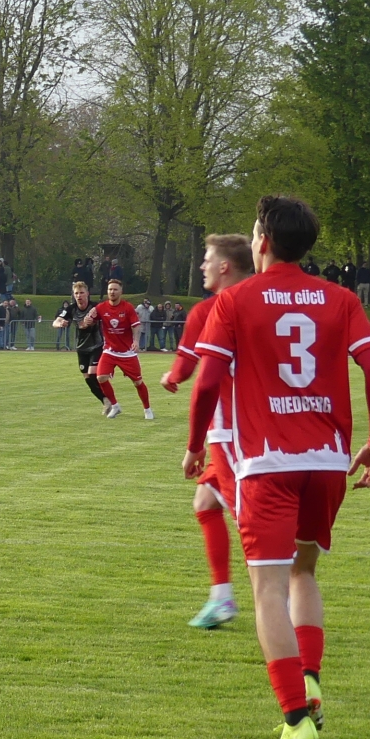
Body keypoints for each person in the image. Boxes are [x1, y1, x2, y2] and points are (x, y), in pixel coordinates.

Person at [184, 196, 370, 739]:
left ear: (264, 242)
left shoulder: (236, 301)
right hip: (327, 461)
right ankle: (311, 681)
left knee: (266, 590)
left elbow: (205, 384)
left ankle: (296, 720)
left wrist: (193, 447)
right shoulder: (341, 298)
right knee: (304, 574)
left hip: (266, 462)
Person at [161, 233, 252, 630]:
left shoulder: (211, 310)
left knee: (252, 521)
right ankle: (221, 597)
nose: (201, 266)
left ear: (224, 266)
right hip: (279, 425)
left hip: (233, 433)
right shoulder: (268, 301)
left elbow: (188, 366)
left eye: (207, 258)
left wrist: (171, 377)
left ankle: (283, 598)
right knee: (205, 503)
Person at [83, 279, 152, 419]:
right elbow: (88, 319)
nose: (112, 292)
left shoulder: (127, 307)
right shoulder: (101, 307)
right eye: (110, 290)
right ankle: (115, 406)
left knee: (138, 382)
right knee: (101, 377)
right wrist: (87, 320)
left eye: (115, 289)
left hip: (127, 353)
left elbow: (136, 325)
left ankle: (147, 409)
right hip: (110, 350)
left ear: (121, 291)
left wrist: (136, 341)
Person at [52, 281, 106, 404]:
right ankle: (106, 400)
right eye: (76, 293)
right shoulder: (71, 309)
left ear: (87, 293)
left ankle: (109, 396)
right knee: (88, 379)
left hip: (97, 345)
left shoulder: (96, 307)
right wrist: (60, 323)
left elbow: (108, 316)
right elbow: (55, 321)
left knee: (93, 374)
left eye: (81, 293)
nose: (79, 296)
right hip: (81, 348)